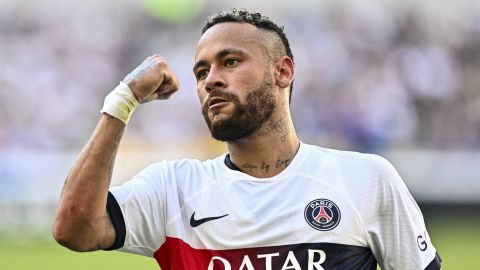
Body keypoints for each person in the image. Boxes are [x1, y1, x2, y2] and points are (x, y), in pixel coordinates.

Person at [53, 9, 442, 270]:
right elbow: (75, 229)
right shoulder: (173, 188)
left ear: (283, 72)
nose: (211, 80)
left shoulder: (366, 180)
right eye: (201, 71)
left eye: (231, 62)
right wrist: (122, 100)